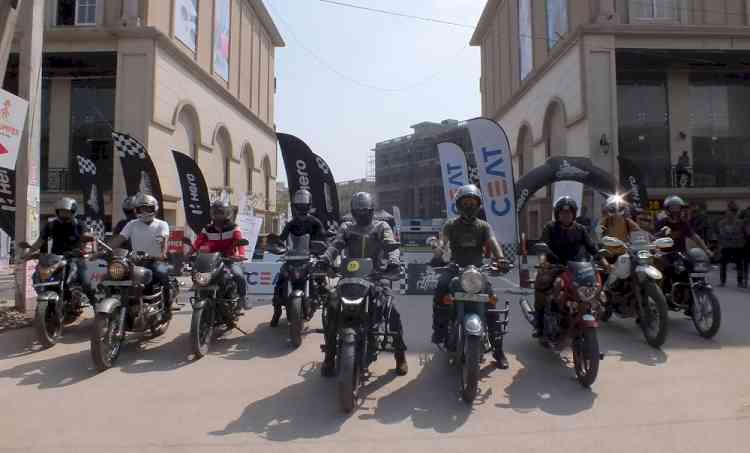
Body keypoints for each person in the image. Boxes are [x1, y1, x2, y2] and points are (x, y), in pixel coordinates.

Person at [320, 191, 408, 377]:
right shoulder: (347, 228)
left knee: (393, 311)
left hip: (377, 276)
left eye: (364, 211)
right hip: (350, 277)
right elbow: (335, 246)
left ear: (371, 211)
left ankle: (400, 356)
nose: (361, 215)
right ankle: (329, 355)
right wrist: (325, 259)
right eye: (357, 211)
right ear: (352, 212)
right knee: (333, 305)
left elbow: (390, 245)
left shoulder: (381, 226)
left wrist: (393, 261)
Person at [430, 184, 511, 369]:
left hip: (478, 271)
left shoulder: (483, 226)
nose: (468, 206)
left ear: (478, 204)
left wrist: (501, 258)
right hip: (455, 268)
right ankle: (439, 330)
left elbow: (493, 242)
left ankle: (498, 351)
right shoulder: (451, 224)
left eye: (472, 202)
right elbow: (443, 240)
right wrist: (438, 251)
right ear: (459, 205)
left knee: (490, 303)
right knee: (441, 288)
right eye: (465, 202)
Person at [534, 196, 599, 336]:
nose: (566, 215)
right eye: (563, 213)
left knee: (591, 287)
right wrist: (542, 262)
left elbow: (592, 248)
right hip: (554, 266)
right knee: (542, 284)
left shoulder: (581, 229)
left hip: (576, 267)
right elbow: (542, 247)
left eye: (569, 213)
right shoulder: (550, 227)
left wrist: (604, 262)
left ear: (574, 214)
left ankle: (588, 311)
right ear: (557, 214)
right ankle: (538, 322)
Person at [270, 189, 326, 327]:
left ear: (309, 204)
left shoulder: (315, 222)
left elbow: (323, 238)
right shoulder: (291, 223)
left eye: (304, 204)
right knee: (280, 280)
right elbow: (282, 239)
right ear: (295, 205)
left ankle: (328, 311)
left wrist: (321, 247)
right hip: (293, 258)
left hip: (310, 257)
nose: (301, 207)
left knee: (321, 279)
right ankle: (277, 310)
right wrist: (277, 245)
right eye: (299, 204)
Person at [20, 197, 93, 300]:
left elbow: (86, 235)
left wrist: (88, 238)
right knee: (38, 275)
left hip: (75, 257)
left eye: (66, 212)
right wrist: (29, 252)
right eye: (61, 211)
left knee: (85, 281)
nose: (63, 214)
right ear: (57, 212)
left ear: (73, 212)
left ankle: (93, 304)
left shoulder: (79, 224)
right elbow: (40, 240)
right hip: (55, 258)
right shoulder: (51, 225)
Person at [110, 193, 173, 311]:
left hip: (155, 260)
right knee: (118, 277)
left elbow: (164, 241)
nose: (144, 212)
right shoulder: (132, 224)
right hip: (135, 261)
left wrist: (162, 254)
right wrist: (103, 250)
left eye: (147, 208)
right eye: (141, 209)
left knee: (162, 273)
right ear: (137, 210)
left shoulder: (161, 224)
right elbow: (119, 239)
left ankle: (167, 305)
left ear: (154, 209)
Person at [191, 199, 249, 307]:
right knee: (198, 275)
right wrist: (188, 253)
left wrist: (241, 255)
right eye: (215, 212)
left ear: (226, 213)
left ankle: (242, 297)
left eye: (220, 212)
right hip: (211, 260)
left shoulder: (233, 227)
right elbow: (198, 242)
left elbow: (239, 242)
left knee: (238, 275)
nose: (218, 215)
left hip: (229, 259)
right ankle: (200, 297)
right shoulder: (207, 229)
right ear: (212, 213)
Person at [655, 195, 713, 295]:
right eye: (673, 207)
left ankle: (693, 298)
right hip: (665, 255)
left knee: (695, 270)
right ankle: (661, 295)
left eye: (678, 207)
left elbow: (695, 237)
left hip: (681, 255)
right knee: (664, 273)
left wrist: (707, 250)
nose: (676, 210)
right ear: (667, 209)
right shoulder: (661, 223)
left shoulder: (683, 223)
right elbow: (654, 238)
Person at [716, 201, 746, 288]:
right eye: (728, 211)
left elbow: (741, 234)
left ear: (735, 213)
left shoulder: (740, 223)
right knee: (723, 264)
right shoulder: (721, 223)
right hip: (726, 246)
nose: (729, 213)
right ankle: (722, 281)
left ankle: (740, 282)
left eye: (732, 211)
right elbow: (721, 235)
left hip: (737, 246)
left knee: (739, 264)